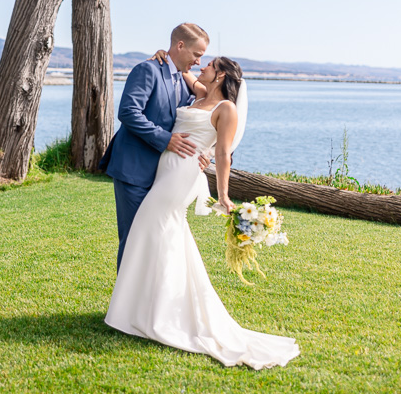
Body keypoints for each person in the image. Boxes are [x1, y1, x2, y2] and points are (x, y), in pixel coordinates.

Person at [105, 56, 300, 369]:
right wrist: (162, 53)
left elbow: (223, 153)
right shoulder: (198, 93)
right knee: (163, 236)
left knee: (151, 227)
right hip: (164, 169)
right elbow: (179, 66)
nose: (201, 68)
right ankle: (149, 307)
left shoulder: (226, 109)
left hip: (182, 173)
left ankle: (155, 312)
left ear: (220, 75)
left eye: (207, 65)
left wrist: (223, 194)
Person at [99, 23, 211, 270]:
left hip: (165, 176)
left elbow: (201, 118)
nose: (198, 62)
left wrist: (206, 154)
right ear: (180, 45)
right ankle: (126, 308)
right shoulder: (147, 70)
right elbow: (128, 112)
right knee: (134, 240)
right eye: (197, 54)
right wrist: (166, 139)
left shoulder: (184, 81)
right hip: (134, 169)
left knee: (157, 239)